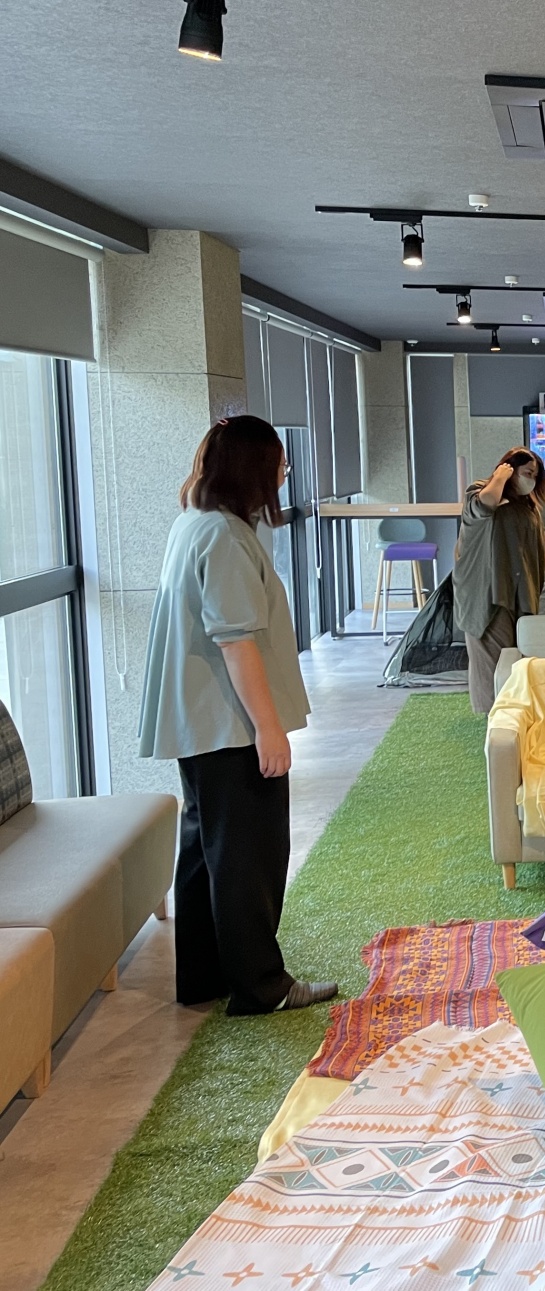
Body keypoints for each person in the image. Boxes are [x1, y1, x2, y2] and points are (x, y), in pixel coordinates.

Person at [139, 415, 336, 1014]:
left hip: (199, 722)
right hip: (229, 724)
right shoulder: (224, 536)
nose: (284, 473)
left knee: (209, 849)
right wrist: (268, 730)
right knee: (249, 855)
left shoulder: (195, 523)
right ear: (256, 469)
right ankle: (260, 985)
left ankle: (206, 976)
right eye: (279, 463)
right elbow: (236, 641)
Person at [453, 447, 545, 715]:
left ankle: (514, 714)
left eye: (535, 475)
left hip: (521, 592)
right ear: (509, 469)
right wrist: (500, 477)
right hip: (486, 593)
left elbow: (542, 549)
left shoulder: (529, 507)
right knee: (493, 661)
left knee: (518, 656)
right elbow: (484, 504)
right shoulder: (481, 491)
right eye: (527, 473)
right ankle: (494, 718)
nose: (531, 480)